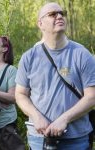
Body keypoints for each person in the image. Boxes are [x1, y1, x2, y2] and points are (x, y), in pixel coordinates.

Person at [15, 2, 95, 150]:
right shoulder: (29, 57)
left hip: (76, 139)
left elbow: (92, 96)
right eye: (52, 14)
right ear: (40, 24)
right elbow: (20, 94)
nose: (59, 16)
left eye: (61, 13)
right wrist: (36, 117)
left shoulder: (82, 54)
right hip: (39, 139)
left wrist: (64, 119)